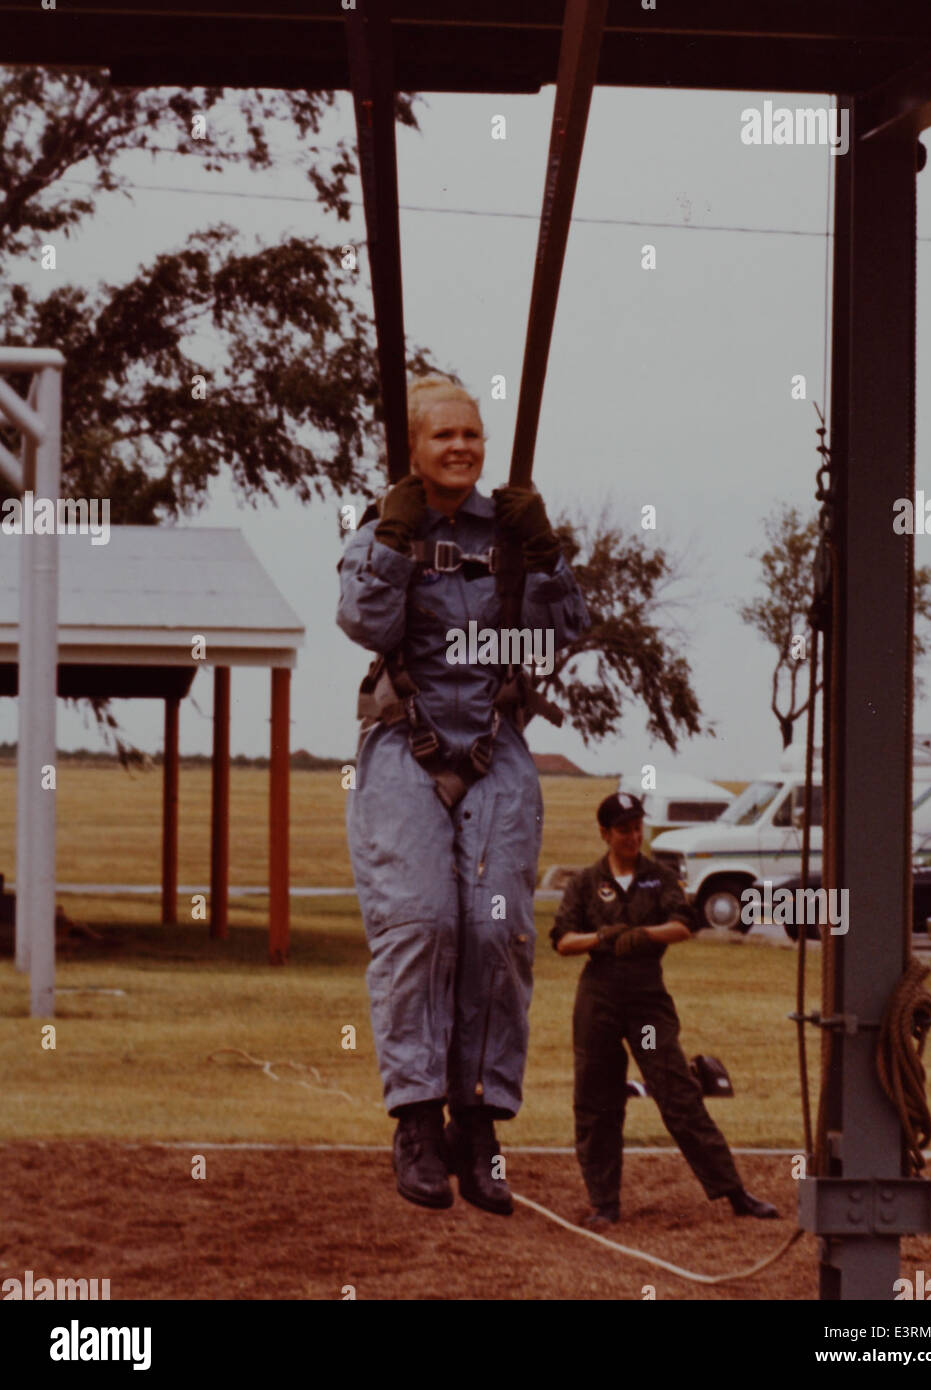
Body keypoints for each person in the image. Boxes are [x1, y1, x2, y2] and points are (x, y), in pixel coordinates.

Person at [337, 374, 590, 1216]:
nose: (460, 448)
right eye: (443, 436)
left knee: (500, 930)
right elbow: (365, 625)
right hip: (404, 745)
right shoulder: (384, 528)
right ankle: (415, 1121)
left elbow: (556, 636)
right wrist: (390, 540)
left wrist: (546, 556)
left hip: (495, 745)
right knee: (420, 922)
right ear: (413, 446)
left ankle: (478, 1125)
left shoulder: (510, 534)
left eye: (472, 436)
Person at [551, 791, 779, 1229]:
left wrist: (644, 936)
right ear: (605, 834)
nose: (634, 836)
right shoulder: (584, 882)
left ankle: (733, 1191)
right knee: (596, 1101)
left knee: (678, 1094)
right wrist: (601, 939)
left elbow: (685, 924)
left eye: (638, 827)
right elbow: (562, 940)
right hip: (598, 999)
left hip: (646, 1001)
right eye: (624, 830)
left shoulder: (658, 876)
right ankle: (604, 1202)